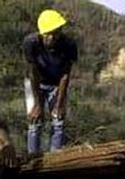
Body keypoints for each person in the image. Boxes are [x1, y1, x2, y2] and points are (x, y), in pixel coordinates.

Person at [23, 9, 77, 155]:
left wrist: (59, 104)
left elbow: (66, 74)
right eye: (48, 34)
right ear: (41, 33)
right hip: (35, 83)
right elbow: (33, 73)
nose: (52, 37)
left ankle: (55, 157)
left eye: (56, 33)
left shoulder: (69, 45)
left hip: (57, 83)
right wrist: (37, 104)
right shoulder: (31, 43)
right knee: (35, 121)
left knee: (58, 121)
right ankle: (32, 158)